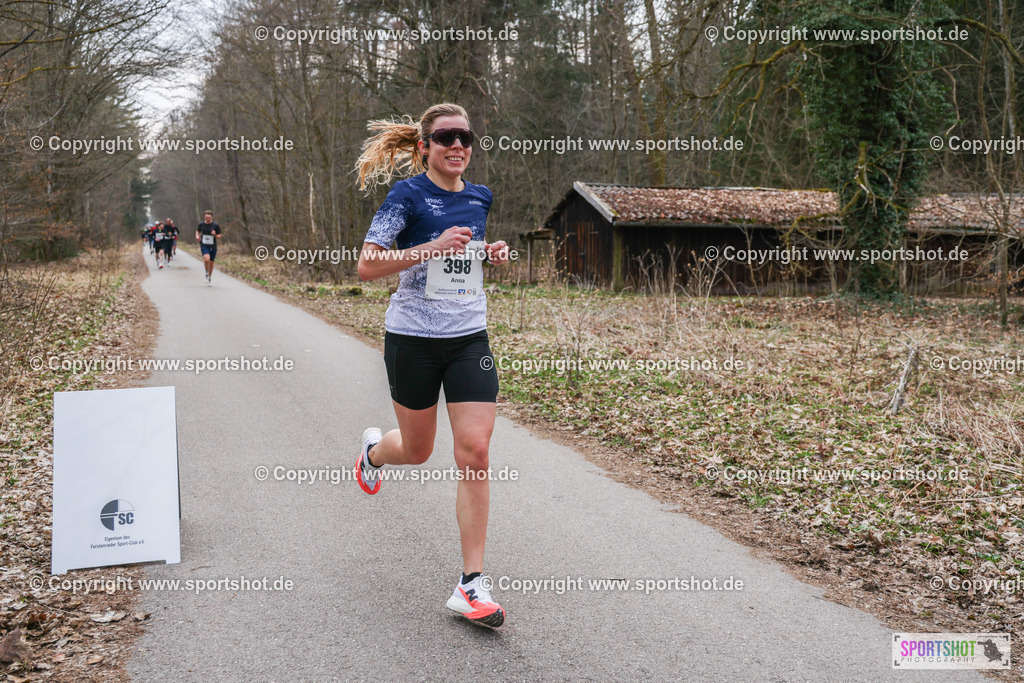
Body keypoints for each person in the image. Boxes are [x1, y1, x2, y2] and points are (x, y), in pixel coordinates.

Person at [354, 103, 511, 628]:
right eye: (445, 138)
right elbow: (368, 265)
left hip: (469, 338)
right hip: (413, 339)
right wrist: (430, 248)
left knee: (476, 449)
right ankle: (374, 454)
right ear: (424, 146)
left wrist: (489, 255)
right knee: (417, 451)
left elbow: (464, 258)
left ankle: (472, 585)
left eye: (465, 136)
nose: (457, 146)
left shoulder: (479, 196)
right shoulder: (405, 196)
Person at [195, 211, 221, 284]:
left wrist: (215, 234)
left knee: (211, 262)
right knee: (207, 259)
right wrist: (197, 236)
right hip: (204, 244)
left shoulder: (215, 225)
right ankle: (206, 272)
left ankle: (209, 277)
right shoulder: (201, 225)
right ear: (204, 217)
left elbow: (219, 236)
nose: (207, 219)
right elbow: (197, 231)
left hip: (213, 246)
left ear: (211, 217)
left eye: (209, 217)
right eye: (206, 217)